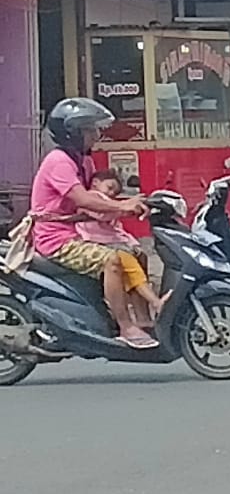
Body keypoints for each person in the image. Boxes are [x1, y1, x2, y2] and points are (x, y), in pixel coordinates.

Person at [28, 98, 154, 347]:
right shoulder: (58, 162)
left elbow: (97, 200)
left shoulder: (83, 161)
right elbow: (82, 198)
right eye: (90, 130)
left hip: (75, 233)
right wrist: (121, 206)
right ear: (71, 133)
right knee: (112, 261)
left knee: (136, 253)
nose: (96, 135)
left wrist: (139, 202)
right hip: (55, 240)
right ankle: (126, 327)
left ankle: (144, 321)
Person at [78, 169, 167, 324]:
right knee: (128, 261)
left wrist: (132, 243)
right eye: (109, 187)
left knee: (140, 257)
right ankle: (154, 302)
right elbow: (102, 213)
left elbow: (118, 231)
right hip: (98, 243)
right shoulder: (91, 198)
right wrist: (124, 207)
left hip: (112, 242)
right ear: (95, 183)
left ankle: (143, 316)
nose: (111, 193)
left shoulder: (109, 203)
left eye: (115, 192)